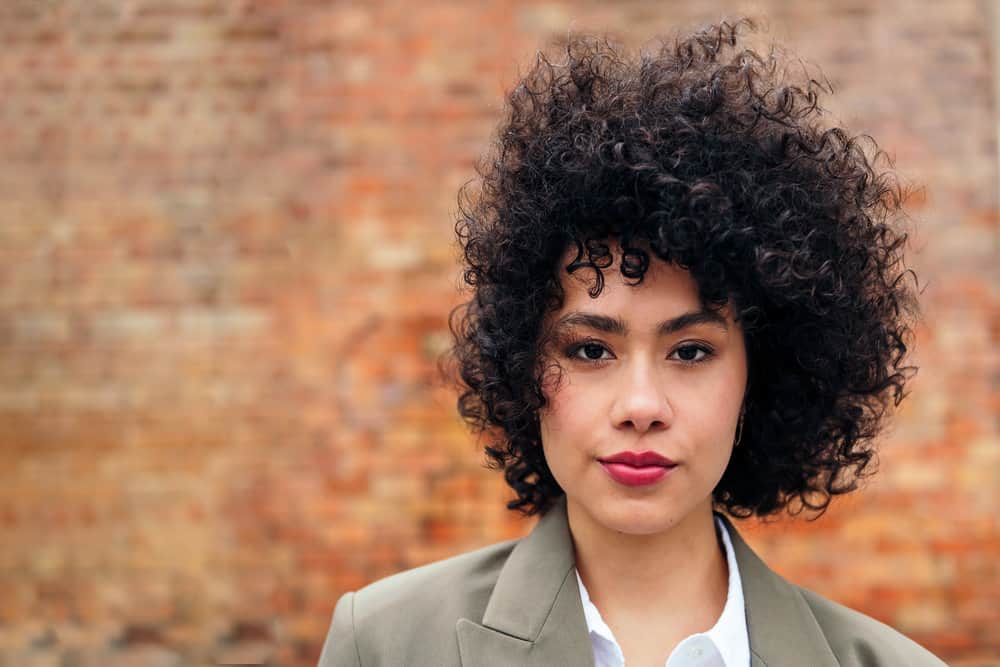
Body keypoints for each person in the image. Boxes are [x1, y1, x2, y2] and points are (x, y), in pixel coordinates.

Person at [319, 18, 947, 667]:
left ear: (761, 373)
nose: (641, 404)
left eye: (691, 351)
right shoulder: (385, 643)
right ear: (525, 362)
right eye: (591, 349)